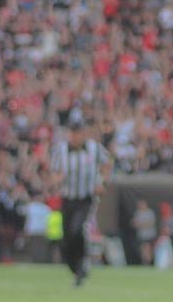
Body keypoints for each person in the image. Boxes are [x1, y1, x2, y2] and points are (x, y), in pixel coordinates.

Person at [50, 120, 112, 287]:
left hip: (85, 198)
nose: (76, 137)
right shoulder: (61, 150)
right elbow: (54, 174)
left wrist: (103, 182)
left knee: (78, 229)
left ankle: (83, 262)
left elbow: (107, 164)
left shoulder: (94, 148)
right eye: (73, 133)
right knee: (67, 237)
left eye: (79, 133)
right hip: (68, 198)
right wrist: (58, 180)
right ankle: (76, 269)